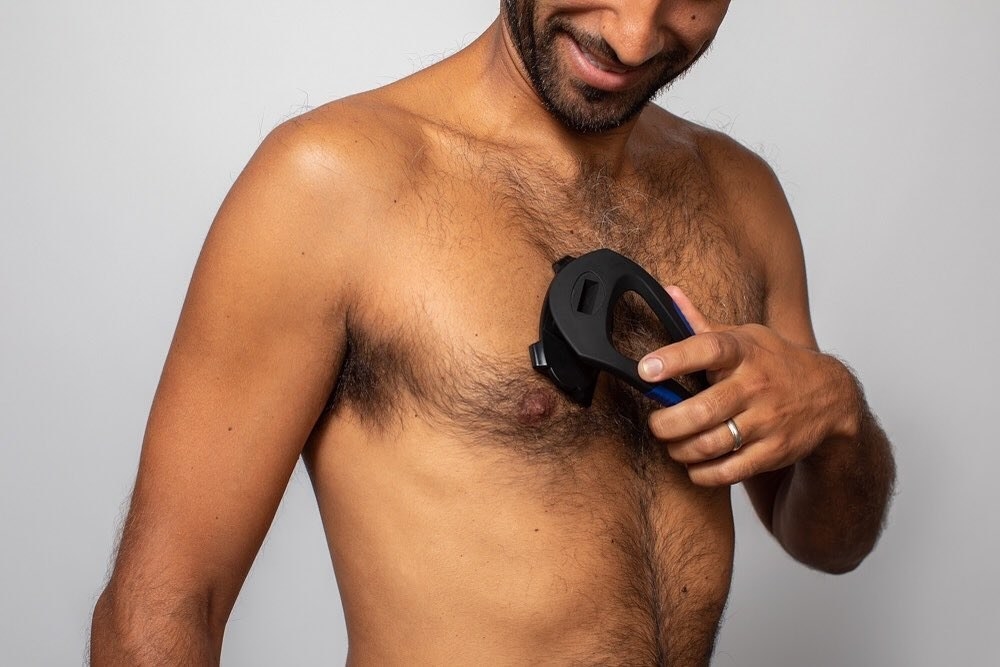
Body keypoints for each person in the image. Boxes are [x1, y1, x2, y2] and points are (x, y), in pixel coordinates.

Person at [90, 1, 896, 664]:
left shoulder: (742, 199)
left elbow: (829, 540)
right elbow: (161, 605)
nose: (634, 33)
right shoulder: (333, 185)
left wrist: (836, 411)